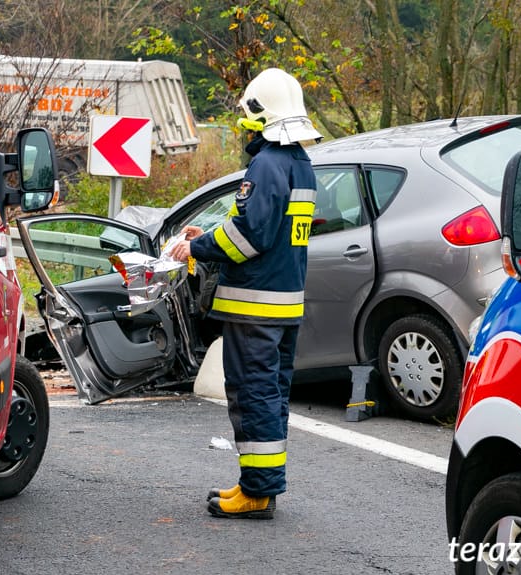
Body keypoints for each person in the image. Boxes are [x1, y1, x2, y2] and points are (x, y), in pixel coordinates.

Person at [169, 67, 321, 519]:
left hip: (254, 308)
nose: (244, 128)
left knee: (253, 395)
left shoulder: (267, 164)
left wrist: (194, 246)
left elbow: (249, 237)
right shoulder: (301, 165)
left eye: (248, 119)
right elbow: (265, 230)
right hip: (284, 305)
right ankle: (261, 485)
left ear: (261, 116)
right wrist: (211, 233)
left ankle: (256, 492)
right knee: (271, 396)